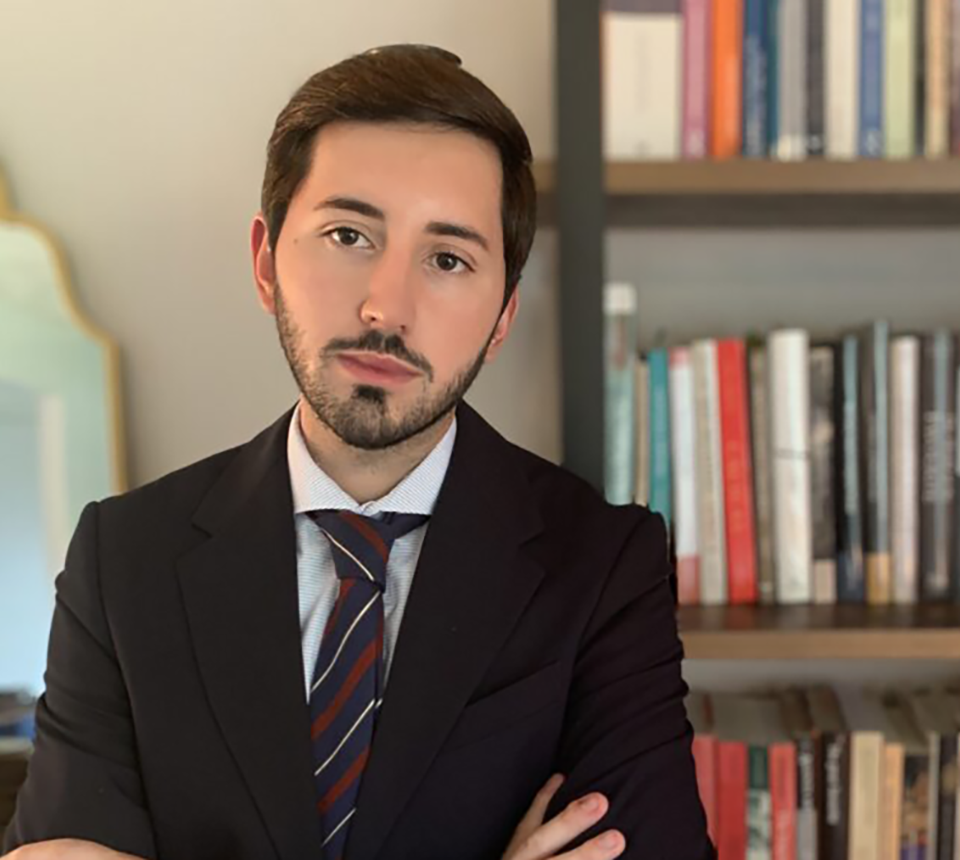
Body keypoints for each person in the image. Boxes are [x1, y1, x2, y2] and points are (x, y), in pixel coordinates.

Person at [2, 44, 714, 860]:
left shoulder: (603, 564)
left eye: (448, 259)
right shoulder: (124, 558)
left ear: (502, 318)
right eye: (348, 234)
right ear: (266, 262)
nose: (386, 307)